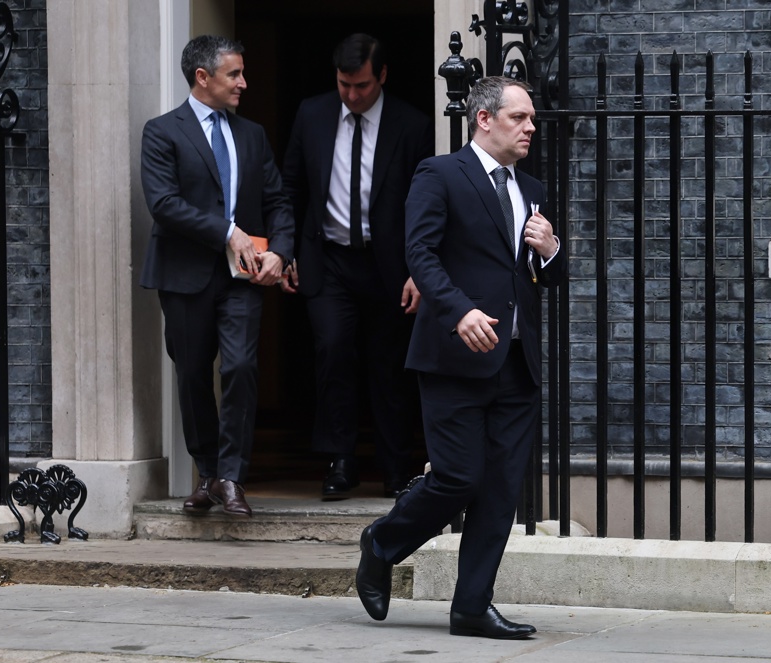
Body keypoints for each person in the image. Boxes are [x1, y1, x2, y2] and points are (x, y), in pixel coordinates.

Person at [354, 77, 567, 638]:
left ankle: (472, 606)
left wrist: (551, 250)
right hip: (454, 356)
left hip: (517, 363)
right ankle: (382, 542)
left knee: (500, 491)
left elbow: (544, 277)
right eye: (519, 117)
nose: (530, 127)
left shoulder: (532, 188)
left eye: (531, 119)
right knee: (457, 478)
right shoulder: (441, 174)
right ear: (484, 119)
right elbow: (420, 254)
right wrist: (458, 312)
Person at [140, 35, 293, 518]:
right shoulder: (162, 132)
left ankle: (231, 476)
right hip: (184, 276)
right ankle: (207, 474)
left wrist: (281, 251)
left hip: (243, 279)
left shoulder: (252, 134)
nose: (244, 83)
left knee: (241, 367)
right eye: (235, 74)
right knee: (192, 375)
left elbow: (277, 200)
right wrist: (228, 232)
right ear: (202, 77)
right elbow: (164, 203)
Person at [281, 33, 434, 500]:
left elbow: (427, 203)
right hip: (327, 260)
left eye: (362, 85)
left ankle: (396, 468)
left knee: (390, 366)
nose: (351, 94)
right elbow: (291, 187)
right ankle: (340, 462)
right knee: (333, 353)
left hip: (390, 265)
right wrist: (285, 250)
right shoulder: (312, 114)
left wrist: (420, 269)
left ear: (382, 75)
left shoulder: (412, 124)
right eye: (344, 84)